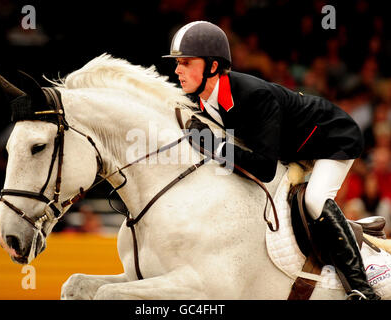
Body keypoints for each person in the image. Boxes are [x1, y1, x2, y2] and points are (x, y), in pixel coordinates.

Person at [162, 20, 380, 300]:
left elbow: (263, 169)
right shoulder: (202, 100)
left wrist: (214, 146)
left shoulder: (254, 96)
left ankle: (362, 288)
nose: (177, 69)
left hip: (332, 137)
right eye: (177, 63)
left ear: (213, 67)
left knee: (314, 200)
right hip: (291, 148)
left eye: (186, 62)